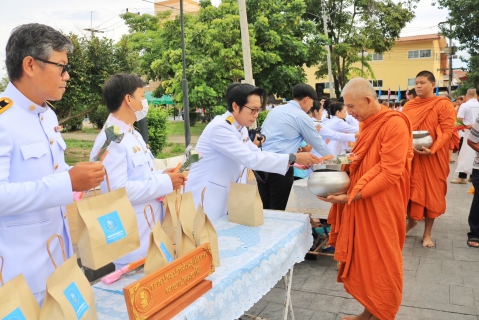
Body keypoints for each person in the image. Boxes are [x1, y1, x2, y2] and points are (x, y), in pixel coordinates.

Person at [0, 23, 106, 305]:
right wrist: (67, 183)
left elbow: (50, 180)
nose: (67, 76)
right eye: (61, 67)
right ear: (31, 65)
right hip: (18, 273)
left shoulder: (46, 115)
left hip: (58, 258)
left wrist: (75, 185)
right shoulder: (3, 119)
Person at [319, 77, 413, 320]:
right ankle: (367, 313)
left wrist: (351, 196)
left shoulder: (394, 124)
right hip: (362, 200)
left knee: (382, 262)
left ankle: (383, 313)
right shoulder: (368, 123)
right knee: (366, 262)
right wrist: (328, 161)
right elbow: (357, 156)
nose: (348, 113)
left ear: (368, 100)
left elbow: (390, 171)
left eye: (351, 107)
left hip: (382, 203)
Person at [90, 74, 186, 269]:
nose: (145, 102)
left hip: (150, 231)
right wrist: (166, 183)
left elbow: (139, 176)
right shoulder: (112, 137)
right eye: (142, 96)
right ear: (128, 99)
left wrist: (162, 175)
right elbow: (117, 191)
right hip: (132, 239)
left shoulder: (130, 133)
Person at [185, 83, 321, 220]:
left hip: (226, 194)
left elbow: (257, 153)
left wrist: (293, 161)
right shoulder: (220, 128)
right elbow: (250, 159)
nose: (256, 115)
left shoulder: (240, 127)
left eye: (258, 110)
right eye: (253, 110)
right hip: (207, 196)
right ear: (235, 106)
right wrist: (292, 157)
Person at [257, 84, 332, 210]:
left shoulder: (275, 111)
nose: (312, 106)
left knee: (266, 209)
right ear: (306, 99)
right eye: (312, 102)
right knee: (278, 209)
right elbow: (319, 144)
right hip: (280, 167)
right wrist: (335, 161)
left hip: (262, 164)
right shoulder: (301, 116)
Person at [402, 70, 455, 247]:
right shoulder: (409, 106)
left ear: (433, 85)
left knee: (433, 194)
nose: (418, 86)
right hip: (413, 157)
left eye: (422, 82)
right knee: (410, 190)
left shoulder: (443, 104)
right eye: (416, 82)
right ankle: (412, 220)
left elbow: (447, 131)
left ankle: (427, 234)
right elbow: (402, 130)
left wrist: (432, 150)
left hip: (434, 157)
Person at [451, 89, 479, 184]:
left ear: (467, 95)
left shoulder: (465, 105)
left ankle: (462, 177)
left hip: (467, 133)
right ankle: (472, 175)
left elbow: (459, 120)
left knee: (464, 153)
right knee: (475, 154)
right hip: (477, 133)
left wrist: (463, 127)